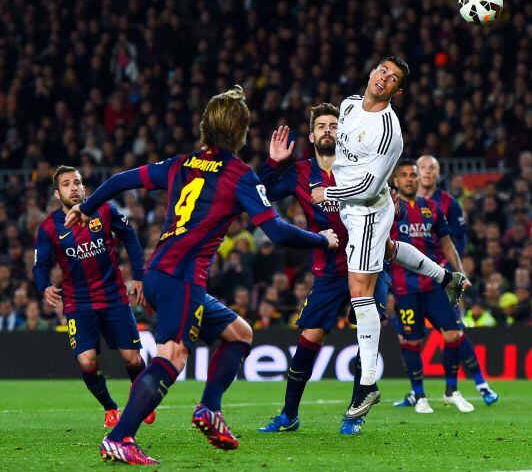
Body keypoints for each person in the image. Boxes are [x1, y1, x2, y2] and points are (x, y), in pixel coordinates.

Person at [65, 86, 338, 465]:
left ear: (205, 127)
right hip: (181, 278)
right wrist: (321, 240)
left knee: (239, 333)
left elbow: (120, 181)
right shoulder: (237, 173)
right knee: (173, 356)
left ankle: (209, 408)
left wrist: (85, 207)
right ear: (240, 132)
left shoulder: (181, 164)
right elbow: (276, 230)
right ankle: (120, 436)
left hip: (164, 271)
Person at [309, 57, 466, 426]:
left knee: (359, 289)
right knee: (390, 250)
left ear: (398, 91)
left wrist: (328, 195)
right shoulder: (348, 105)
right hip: (353, 208)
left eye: (392, 78)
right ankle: (448, 279)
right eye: (382, 70)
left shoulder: (389, 131)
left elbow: (366, 188)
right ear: (371, 72)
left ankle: (367, 383)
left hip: (366, 211)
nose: (384, 78)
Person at [255, 104, 390, 435]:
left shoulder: (361, 166)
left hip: (368, 266)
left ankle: (354, 417)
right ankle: (289, 415)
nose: (328, 130)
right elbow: (257, 193)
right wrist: (272, 162)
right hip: (329, 272)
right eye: (322, 126)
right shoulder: (299, 173)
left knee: (366, 335)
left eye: (334, 125)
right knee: (309, 338)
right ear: (312, 135)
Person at [33, 165, 154, 429]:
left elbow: (130, 238)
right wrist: (44, 286)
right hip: (78, 303)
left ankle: (142, 396)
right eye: (66, 184)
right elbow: (40, 265)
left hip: (113, 297)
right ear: (57, 193)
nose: (73, 187)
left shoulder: (105, 210)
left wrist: (139, 275)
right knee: (87, 361)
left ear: (84, 188)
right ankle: (110, 408)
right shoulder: (48, 228)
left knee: (132, 359)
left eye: (77, 182)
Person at [389, 158, 498, 414]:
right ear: (395, 181)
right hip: (405, 288)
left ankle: (452, 391)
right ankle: (419, 395)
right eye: (404, 175)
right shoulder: (388, 210)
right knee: (412, 341)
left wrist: (459, 273)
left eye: (412, 174)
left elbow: (447, 244)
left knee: (453, 333)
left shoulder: (433, 208)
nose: (409, 178)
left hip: (434, 284)